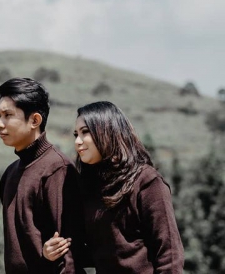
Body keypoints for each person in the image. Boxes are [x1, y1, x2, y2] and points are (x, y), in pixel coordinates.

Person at [43, 101, 184, 273]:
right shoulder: (90, 187)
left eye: (85, 132)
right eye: (76, 135)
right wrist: (52, 252)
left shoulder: (147, 181)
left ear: (107, 131)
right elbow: (98, 252)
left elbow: (170, 255)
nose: (78, 142)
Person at [0, 78, 85, 274]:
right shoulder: (10, 174)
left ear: (35, 120)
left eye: (8, 115)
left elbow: (69, 255)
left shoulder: (58, 169)